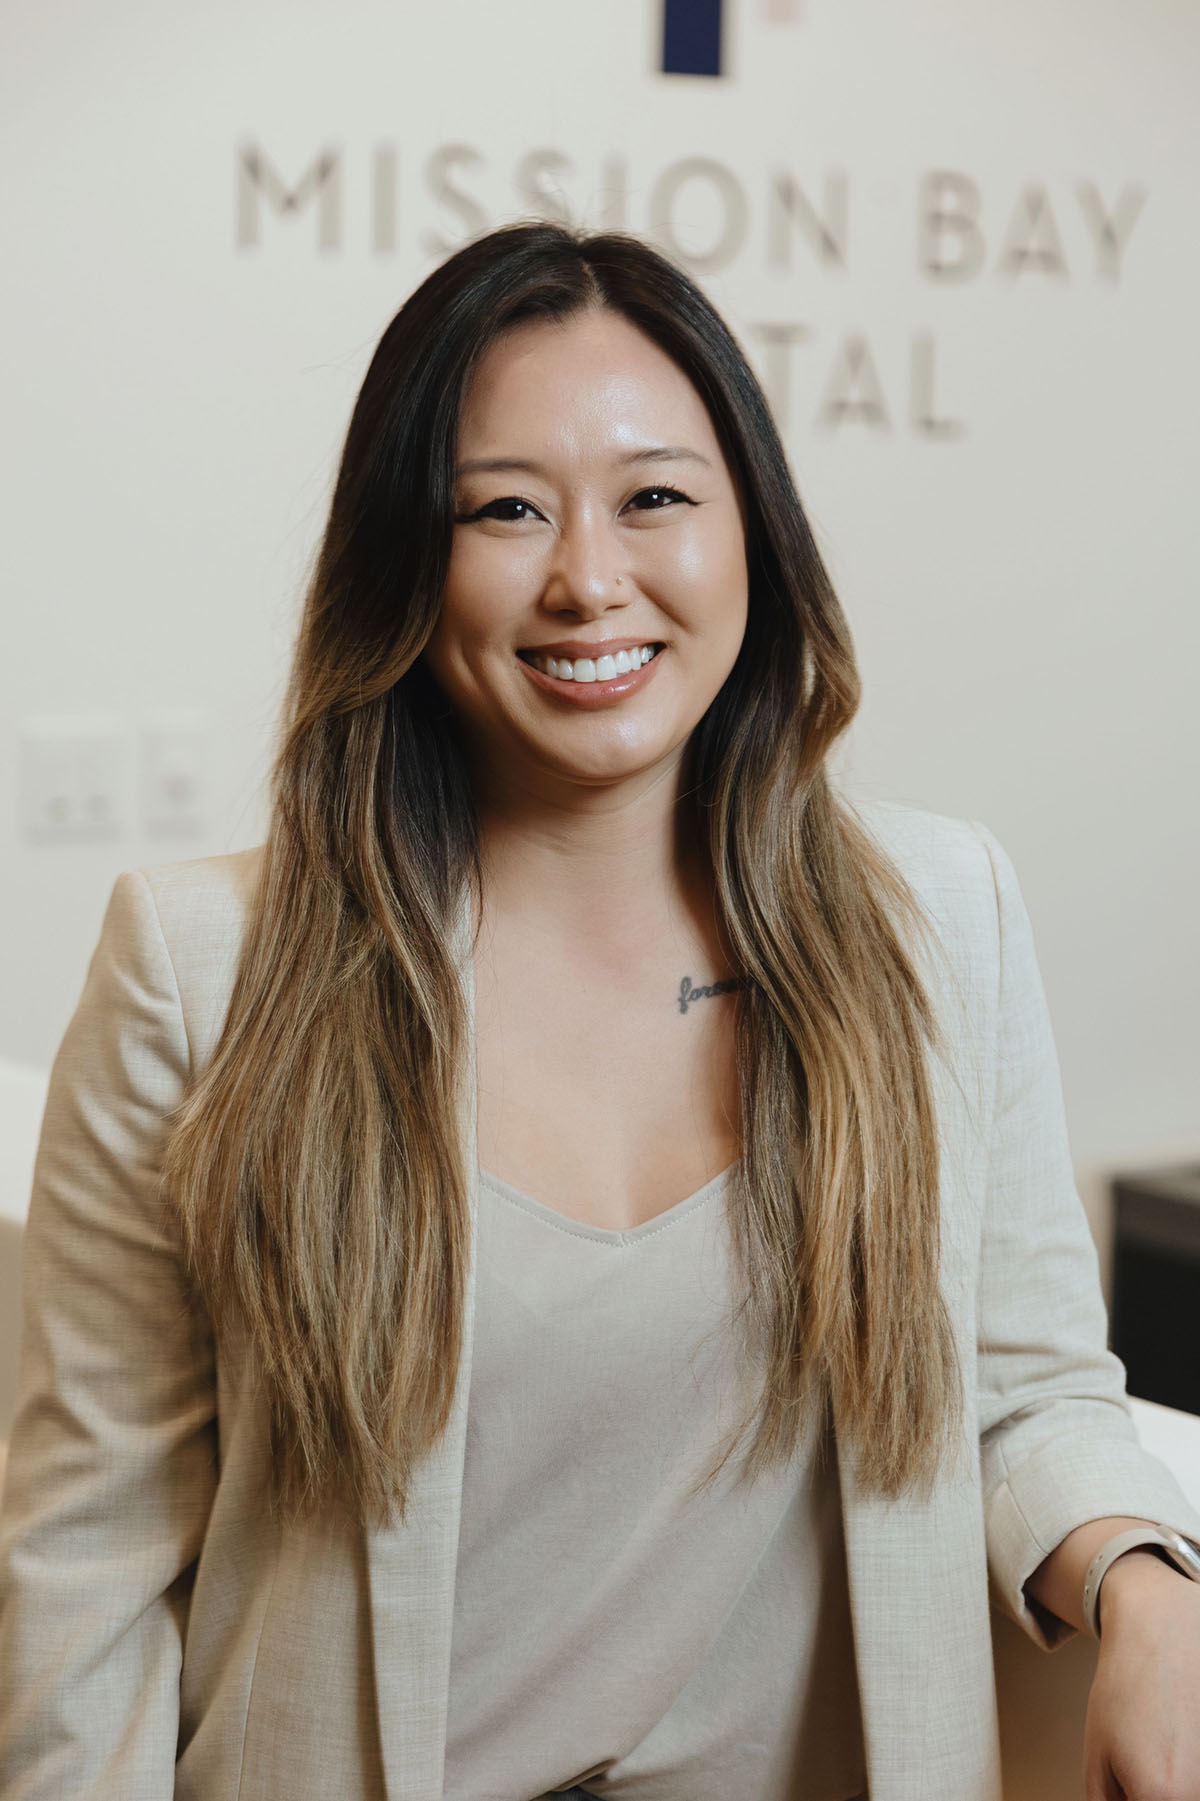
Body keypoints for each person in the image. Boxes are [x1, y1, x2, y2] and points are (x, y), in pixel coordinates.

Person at [1, 222, 1198, 1801]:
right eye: (505, 507)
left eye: (654, 497)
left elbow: (1028, 1385)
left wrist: (1148, 1591)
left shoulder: (937, 919)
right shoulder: (202, 967)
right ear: (408, 567)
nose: (586, 576)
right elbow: (88, 1566)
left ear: (751, 536)